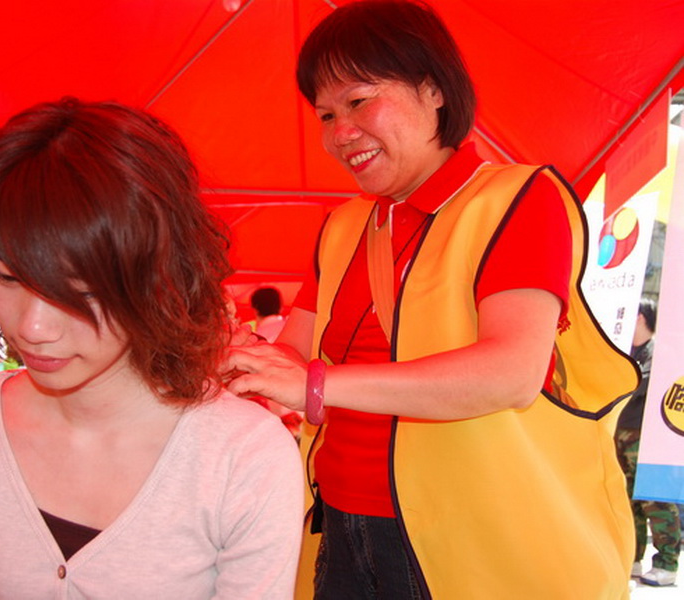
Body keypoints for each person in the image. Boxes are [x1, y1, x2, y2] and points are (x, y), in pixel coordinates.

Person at [223, 1, 640, 597]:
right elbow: (293, 354)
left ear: (433, 89)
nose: (341, 133)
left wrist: (316, 385)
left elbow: (511, 372)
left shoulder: (517, 199)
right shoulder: (342, 226)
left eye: (359, 101)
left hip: (475, 537)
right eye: (326, 114)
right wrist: (237, 359)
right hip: (339, 521)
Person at [0, 99, 304, 599]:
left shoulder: (243, 457)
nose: (33, 326)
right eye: (7, 277)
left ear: (158, 275)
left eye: (80, 288)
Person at [615, 298, 680, 587]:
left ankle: (666, 563)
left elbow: (637, 386)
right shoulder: (628, 352)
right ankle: (634, 557)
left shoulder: (658, 353)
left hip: (647, 439)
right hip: (622, 436)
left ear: (640, 317)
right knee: (628, 500)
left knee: (655, 500)